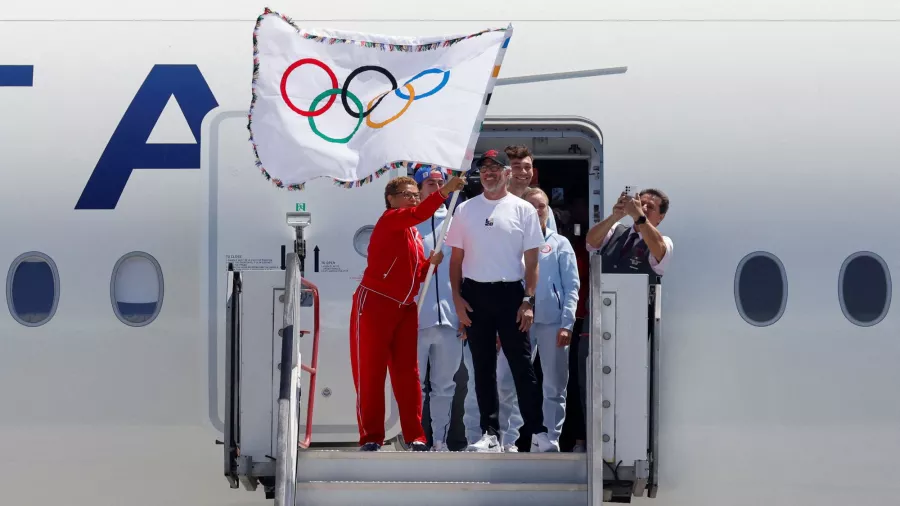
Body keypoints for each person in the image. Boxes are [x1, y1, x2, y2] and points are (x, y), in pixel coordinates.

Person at [445, 148, 554, 453]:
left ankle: (537, 433)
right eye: (484, 169)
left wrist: (528, 300)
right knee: (482, 367)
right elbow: (456, 260)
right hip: (474, 296)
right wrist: (457, 299)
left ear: (508, 173)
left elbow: (533, 260)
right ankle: (489, 433)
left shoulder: (523, 209)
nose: (489, 174)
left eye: (495, 169)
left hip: (511, 296)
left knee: (522, 368)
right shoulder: (465, 209)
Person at [350, 174, 466, 451]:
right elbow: (418, 213)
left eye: (416, 194)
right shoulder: (391, 219)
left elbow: (415, 273)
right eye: (407, 194)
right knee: (371, 373)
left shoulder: (412, 232)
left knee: (408, 374)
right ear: (391, 199)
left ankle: (415, 435)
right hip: (376, 303)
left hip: (404, 306)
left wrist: (430, 264)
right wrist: (446, 190)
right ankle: (371, 436)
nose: (413, 198)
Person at [577, 188, 673, 449]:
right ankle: (589, 439)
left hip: (630, 327)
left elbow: (660, 253)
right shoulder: (615, 233)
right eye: (639, 203)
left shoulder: (661, 239)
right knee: (589, 381)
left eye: (649, 207)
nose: (641, 208)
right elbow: (591, 242)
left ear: (660, 217)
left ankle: (622, 445)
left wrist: (640, 220)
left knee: (625, 385)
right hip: (598, 321)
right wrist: (615, 216)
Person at [496, 188, 580, 452]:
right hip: (518, 323)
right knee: (507, 381)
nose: (536, 211)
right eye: (530, 207)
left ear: (548, 210)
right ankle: (507, 440)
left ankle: (549, 440)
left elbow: (571, 287)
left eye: (541, 206)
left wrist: (567, 323)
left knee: (554, 385)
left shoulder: (560, 244)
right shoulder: (511, 242)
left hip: (553, 323)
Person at [412, 166, 469, 452]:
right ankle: (415, 438)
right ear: (420, 188)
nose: (436, 188)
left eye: (439, 183)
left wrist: (464, 310)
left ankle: (441, 442)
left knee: (445, 386)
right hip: (415, 319)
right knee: (414, 385)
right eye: (430, 184)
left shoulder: (455, 222)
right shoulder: (409, 223)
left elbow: (466, 270)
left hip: (450, 318)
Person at [504, 145, 557, 232]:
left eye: (527, 167)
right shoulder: (496, 201)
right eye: (517, 167)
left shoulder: (542, 206)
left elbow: (551, 242)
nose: (523, 171)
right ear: (507, 170)